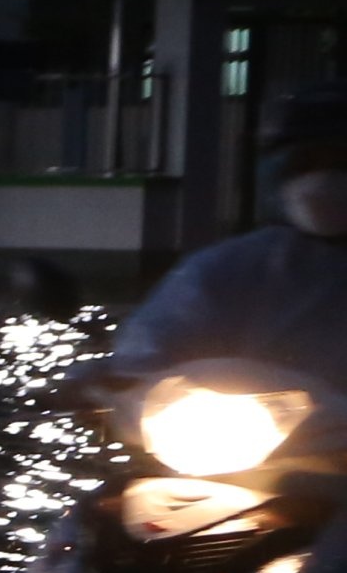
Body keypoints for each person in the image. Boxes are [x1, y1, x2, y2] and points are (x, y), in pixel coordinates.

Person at [105, 83, 347, 392]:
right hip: (262, 435)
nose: (325, 177)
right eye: (306, 163)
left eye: (342, 163)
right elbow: (149, 355)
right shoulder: (225, 271)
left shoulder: (227, 267)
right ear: (276, 171)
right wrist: (110, 385)